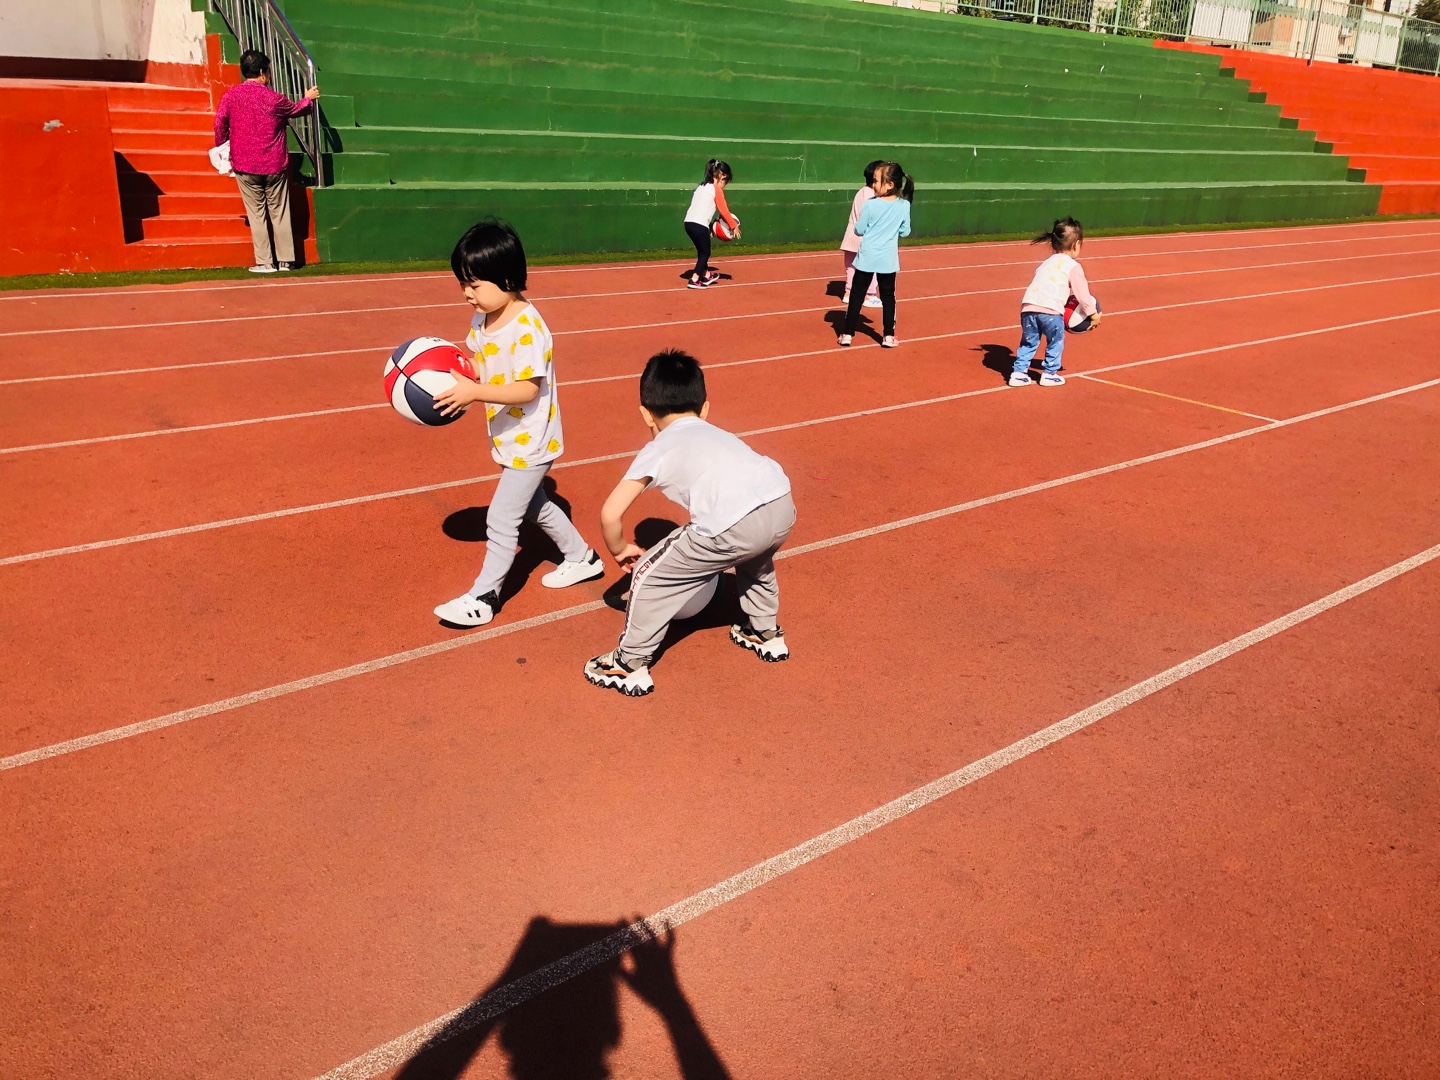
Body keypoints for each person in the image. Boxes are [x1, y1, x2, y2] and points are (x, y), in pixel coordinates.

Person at [584, 350, 795, 697]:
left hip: (731, 524)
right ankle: (764, 631)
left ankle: (627, 664)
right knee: (756, 563)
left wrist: (620, 548)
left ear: (645, 413)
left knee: (649, 577)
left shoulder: (658, 447)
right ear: (705, 408)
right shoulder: (718, 433)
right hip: (781, 503)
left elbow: (610, 513)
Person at [431, 220, 606, 627]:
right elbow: (482, 364)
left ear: (507, 277)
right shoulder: (484, 317)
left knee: (501, 517)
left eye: (474, 284)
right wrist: (452, 374)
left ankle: (484, 597)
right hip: (509, 435)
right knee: (534, 507)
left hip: (532, 439)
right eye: (462, 283)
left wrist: (474, 393)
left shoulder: (527, 328)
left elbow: (528, 389)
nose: (466, 293)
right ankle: (582, 558)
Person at [213, 49, 320, 273]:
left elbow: (219, 122)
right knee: (279, 211)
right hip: (274, 164)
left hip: (244, 164)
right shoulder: (274, 99)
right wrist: (308, 98)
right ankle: (286, 260)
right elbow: (298, 109)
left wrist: (223, 145)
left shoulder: (231, 95)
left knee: (256, 214)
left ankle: (265, 262)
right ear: (263, 72)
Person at [1010, 216, 1101, 388]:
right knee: (1055, 341)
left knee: (1029, 341)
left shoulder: (1045, 264)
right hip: (1051, 312)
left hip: (1028, 308)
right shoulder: (1073, 266)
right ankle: (1049, 374)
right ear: (1076, 244)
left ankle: (1018, 373)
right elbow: (1082, 294)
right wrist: (1093, 314)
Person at [836, 161, 913, 349]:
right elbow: (905, 231)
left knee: (857, 295)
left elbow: (859, 229)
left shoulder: (871, 205)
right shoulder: (904, 205)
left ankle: (847, 334)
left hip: (867, 258)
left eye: (877, 181)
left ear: (890, 184)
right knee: (888, 297)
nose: (873, 185)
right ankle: (888, 335)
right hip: (888, 260)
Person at [682, 159, 739, 290]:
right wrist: (733, 226)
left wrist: (708, 227)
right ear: (722, 176)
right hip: (699, 224)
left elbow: (700, 208)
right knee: (705, 253)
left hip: (689, 223)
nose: (724, 185)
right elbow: (724, 211)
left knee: (702, 250)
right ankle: (695, 279)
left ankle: (706, 274)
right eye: (726, 181)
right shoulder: (716, 190)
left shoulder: (701, 187)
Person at [840, 160, 885, 308]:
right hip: (864, 237)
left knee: (852, 266)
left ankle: (849, 292)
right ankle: (869, 294)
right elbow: (867, 217)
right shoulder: (873, 195)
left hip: (851, 237)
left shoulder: (861, 192)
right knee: (871, 267)